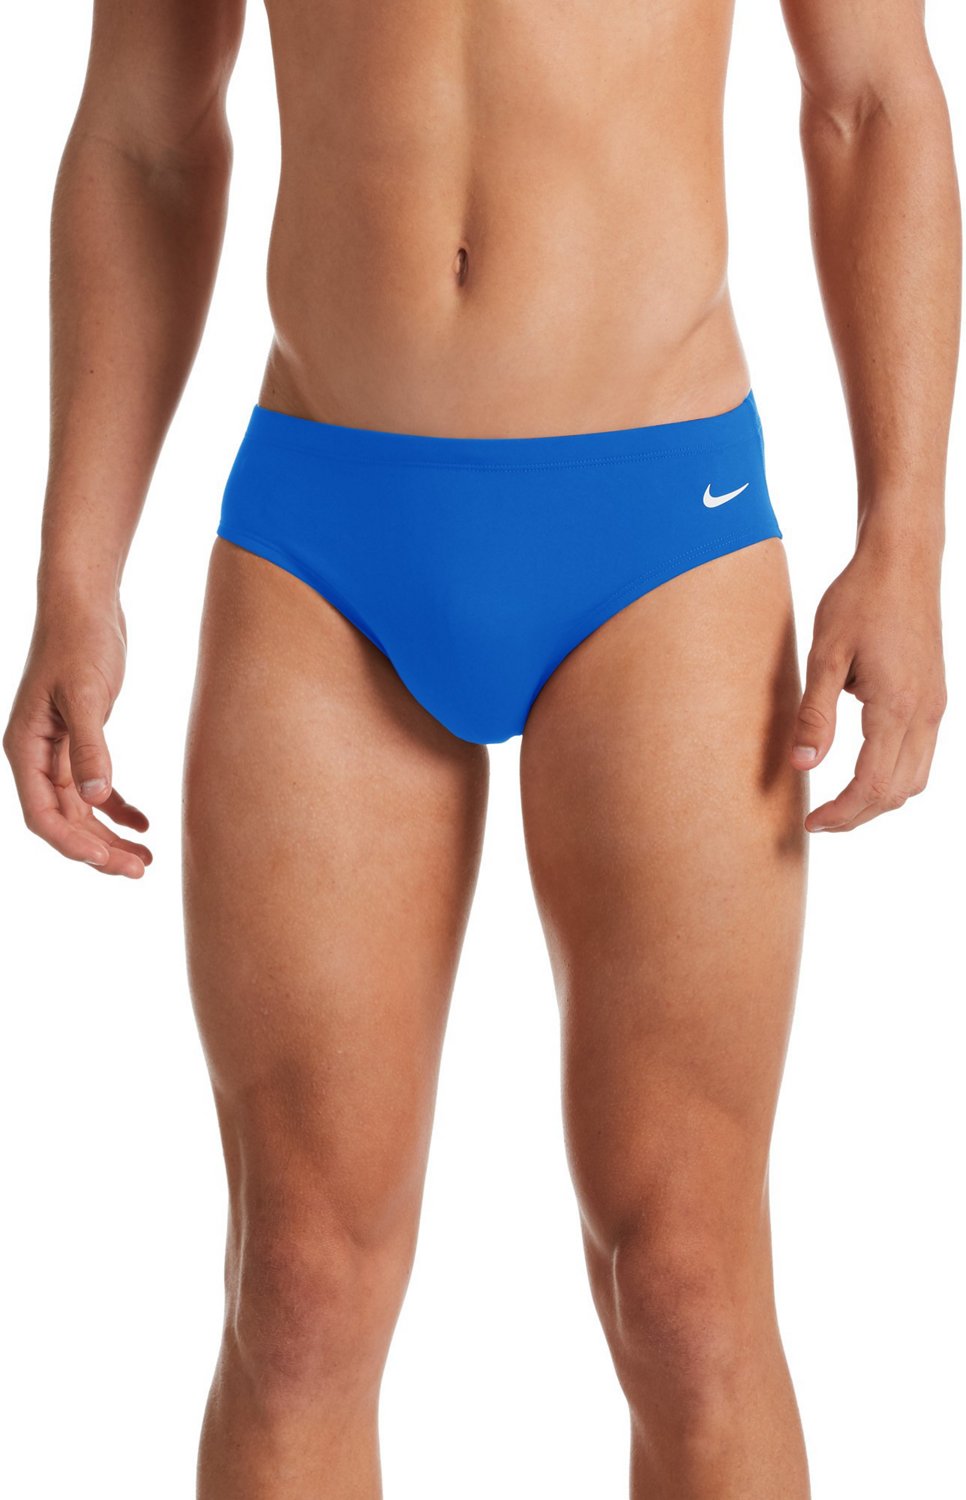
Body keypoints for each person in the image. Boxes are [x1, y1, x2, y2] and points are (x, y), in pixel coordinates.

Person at [4, 1, 959, 1496]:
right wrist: (76, 572)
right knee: (298, 1295)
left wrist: (903, 540)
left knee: (685, 1288)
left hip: (663, 527)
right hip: (324, 530)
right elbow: (145, 135)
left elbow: (870, 100)